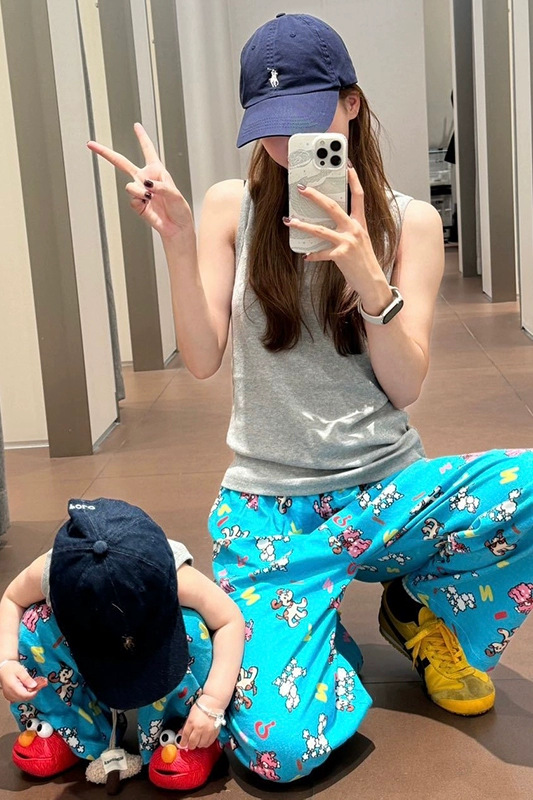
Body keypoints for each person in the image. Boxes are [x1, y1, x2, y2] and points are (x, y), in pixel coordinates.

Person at [88, 12, 533, 784]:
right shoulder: (229, 206)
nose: (286, 143)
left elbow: (405, 385)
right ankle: (310, 643)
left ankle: (421, 611)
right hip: (269, 513)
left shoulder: (411, 222)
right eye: (269, 127)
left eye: (305, 119)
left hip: (386, 492)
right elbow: (202, 359)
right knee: (277, 752)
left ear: (350, 104)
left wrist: (367, 276)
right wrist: (178, 239)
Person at [0, 498, 244, 791]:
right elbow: (12, 599)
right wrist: (7, 661)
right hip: (84, 649)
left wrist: (212, 704)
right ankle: (70, 727)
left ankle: (182, 732)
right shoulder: (52, 572)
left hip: (156, 649)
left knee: (192, 628)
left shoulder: (169, 572)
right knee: (34, 624)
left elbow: (229, 619)